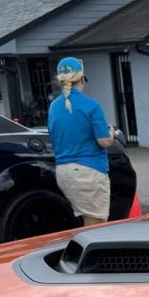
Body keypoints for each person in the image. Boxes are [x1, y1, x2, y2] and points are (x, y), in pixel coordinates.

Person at [47, 56, 115, 225]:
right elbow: (104, 141)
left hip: (63, 171)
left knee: (90, 222)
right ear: (82, 78)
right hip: (88, 171)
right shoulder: (91, 105)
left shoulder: (54, 106)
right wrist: (111, 133)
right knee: (97, 226)